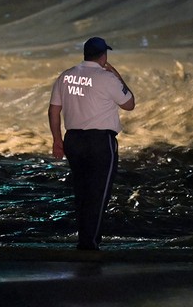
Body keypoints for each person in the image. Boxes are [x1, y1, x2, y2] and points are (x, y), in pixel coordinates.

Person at [48, 36, 135, 251]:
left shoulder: (66, 76)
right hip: (100, 141)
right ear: (103, 56)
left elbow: (54, 110)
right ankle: (89, 243)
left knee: (82, 191)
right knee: (99, 192)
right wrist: (117, 75)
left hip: (73, 140)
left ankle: (84, 239)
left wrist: (57, 140)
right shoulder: (107, 77)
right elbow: (129, 104)